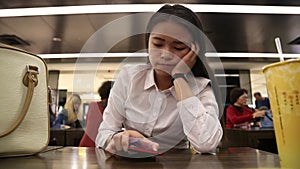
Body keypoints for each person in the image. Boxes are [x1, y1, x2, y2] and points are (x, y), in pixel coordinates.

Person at [96, 4, 223, 155]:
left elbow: (206, 144)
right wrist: (117, 140)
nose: (166, 54)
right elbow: (104, 132)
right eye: (157, 44)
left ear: (194, 51)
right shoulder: (129, 77)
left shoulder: (201, 88)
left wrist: (180, 78)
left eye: (179, 47)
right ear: (148, 42)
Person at [79, 81, 114, 147]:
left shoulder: (93, 105)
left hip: (85, 143)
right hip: (99, 145)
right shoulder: (111, 107)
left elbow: (87, 123)